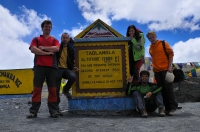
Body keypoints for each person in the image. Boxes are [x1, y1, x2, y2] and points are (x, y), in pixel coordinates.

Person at [27, 20, 60, 118]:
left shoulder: (54, 40)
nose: (48, 28)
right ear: (42, 28)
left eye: (49, 27)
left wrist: (42, 48)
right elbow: (33, 49)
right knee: (37, 89)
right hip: (39, 67)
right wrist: (47, 53)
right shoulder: (36, 39)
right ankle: (33, 112)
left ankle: (53, 111)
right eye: (46, 26)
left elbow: (57, 49)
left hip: (52, 67)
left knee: (53, 90)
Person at [146, 31, 178, 116]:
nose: (151, 39)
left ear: (155, 36)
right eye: (150, 38)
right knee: (161, 90)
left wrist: (170, 66)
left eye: (153, 37)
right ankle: (166, 108)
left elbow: (171, 54)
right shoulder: (150, 48)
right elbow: (153, 58)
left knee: (168, 89)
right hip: (157, 71)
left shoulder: (163, 43)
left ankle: (173, 107)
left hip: (165, 69)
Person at [56, 33, 79, 114]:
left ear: (69, 39)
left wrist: (73, 67)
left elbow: (71, 60)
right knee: (56, 89)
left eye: (66, 38)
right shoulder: (57, 47)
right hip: (57, 69)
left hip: (66, 69)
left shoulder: (71, 49)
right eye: (63, 38)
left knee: (73, 77)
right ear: (61, 38)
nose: (65, 39)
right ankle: (56, 108)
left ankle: (65, 90)